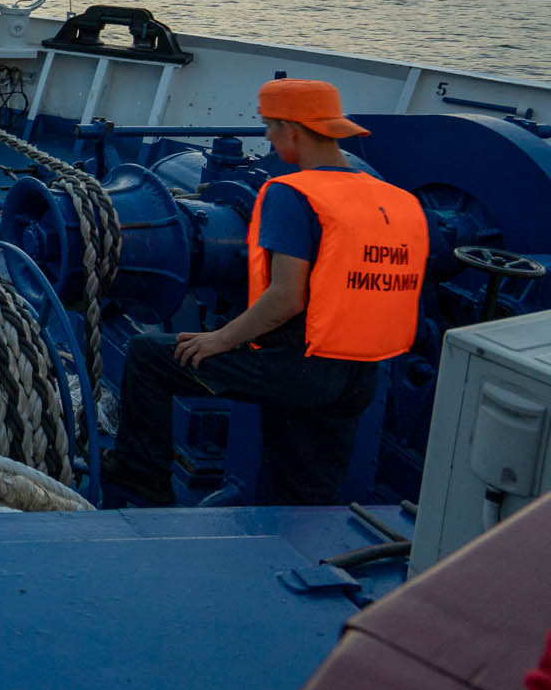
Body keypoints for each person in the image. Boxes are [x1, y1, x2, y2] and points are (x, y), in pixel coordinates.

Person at [104, 79, 429, 506]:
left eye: (270, 129)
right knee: (308, 493)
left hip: (295, 367)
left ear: (292, 131)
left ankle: (141, 478)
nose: (268, 139)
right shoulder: (397, 199)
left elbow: (286, 297)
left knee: (150, 357)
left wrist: (217, 339)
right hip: (361, 373)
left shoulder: (292, 194)